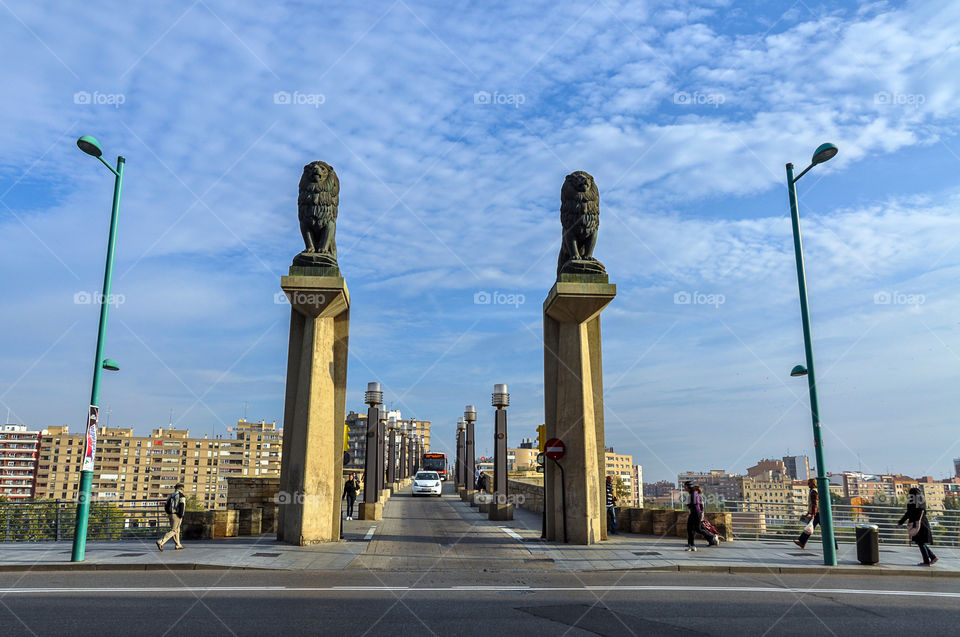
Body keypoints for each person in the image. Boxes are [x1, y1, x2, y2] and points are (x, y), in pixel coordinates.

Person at [793, 478, 838, 551]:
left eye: (809, 483)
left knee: (812, 528)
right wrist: (809, 513)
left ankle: (802, 542)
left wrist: (813, 514)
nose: (807, 484)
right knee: (814, 528)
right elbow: (812, 504)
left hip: (818, 514)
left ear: (812, 484)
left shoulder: (814, 492)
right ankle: (835, 544)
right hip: (817, 513)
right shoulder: (813, 491)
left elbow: (815, 503)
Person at [898, 487, 938, 566]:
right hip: (923, 523)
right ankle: (932, 557)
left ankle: (927, 561)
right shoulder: (922, 501)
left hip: (917, 524)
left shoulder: (912, 502)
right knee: (921, 542)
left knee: (920, 542)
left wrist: (901, 521)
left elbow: (909, 513)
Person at [684, 482, 718, 551]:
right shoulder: (693, 492)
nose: (684, 488)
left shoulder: (693, 493)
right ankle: (692, 546)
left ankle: (712, 536)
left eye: (685, 486)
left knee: (697, 529)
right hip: (695, 513)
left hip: (696, 513)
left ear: (687, 487)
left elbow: (696, 504)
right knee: (690, 529)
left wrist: (689, 505)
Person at [157, 483, 186, 551]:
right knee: (174, 530)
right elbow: (182, 506)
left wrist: (169, 513)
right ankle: (161, 542)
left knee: (177, 530)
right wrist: (180, 515)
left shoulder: (171, 495)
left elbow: (166, 505)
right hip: (177, 515)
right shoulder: (181, 496)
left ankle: (178, 544)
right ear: (181, 488)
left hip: (171, 514)